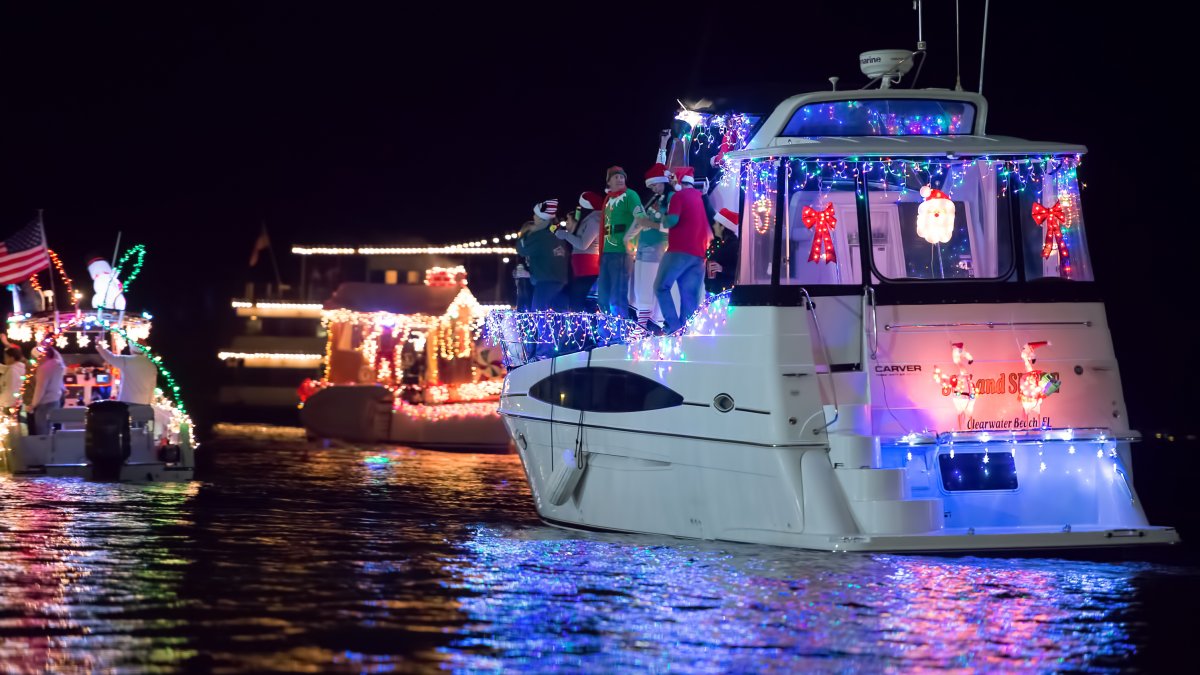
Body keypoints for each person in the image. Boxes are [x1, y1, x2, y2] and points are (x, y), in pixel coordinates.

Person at [655, 167, 711, 332]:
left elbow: (671, 221)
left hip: (679, 251)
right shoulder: (701, 197)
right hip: (699, 255)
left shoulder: (678, 197)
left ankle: (673, 327)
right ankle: (687, 334)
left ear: (678, 181)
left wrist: (663, 212)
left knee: (661, 287)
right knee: (689, 297)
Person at [624, 163, 672, 331]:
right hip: (643, 246)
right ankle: (642, 322)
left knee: (648, 286)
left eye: (655, 185)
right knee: (639, 287)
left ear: (663, 181)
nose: (654, 189)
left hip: (657, 247)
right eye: (651, 186)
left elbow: (671, 226)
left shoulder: (671, 198)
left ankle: (645, 324)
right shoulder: (654, 199)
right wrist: (627, 238)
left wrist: (649, 224)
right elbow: (640, 220)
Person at [597, 166, 642, 319]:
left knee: (617, 296)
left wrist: (628, 237)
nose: (620, 179)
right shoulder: (608, 199)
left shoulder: (630, 195)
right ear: (608, 181)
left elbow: (641, 218)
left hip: (621, 253)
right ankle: (607, 333)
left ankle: (620, 333)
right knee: (602, 296)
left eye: (622, 176)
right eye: (615, 177)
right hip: (606, 253)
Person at [516, 200, 569, 311]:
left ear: (542, 219)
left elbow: (522, 250)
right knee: (556, 316)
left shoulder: (540, 236)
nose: (533, 217)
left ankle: (542, 329)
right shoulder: (557, 234)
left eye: (536, 215)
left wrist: (523, 235)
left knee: (538, 313)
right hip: (561, 280)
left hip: (545, 280)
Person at [555, 192, 603, 312]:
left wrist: (565, 235)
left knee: (577, 302)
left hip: (588, 269)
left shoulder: (594, 220)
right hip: (581, 269)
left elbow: (583, 244)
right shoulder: (589, 219)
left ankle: (580, 329)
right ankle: (579, 328)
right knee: (575, 301)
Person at [95, 340, 158, 405]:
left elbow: (110, 357)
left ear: (131, 349)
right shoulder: (151, 366)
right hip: (143, 404)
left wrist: (99, 346)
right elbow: (152, 387)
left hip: (126, 404)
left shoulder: (126, 360)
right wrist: (148, 404)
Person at [29, 344, 66, 435]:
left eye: (36, 358)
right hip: (55, 401)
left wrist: (33, 404)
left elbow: (40, 388)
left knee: (43, 434)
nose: (36, 361)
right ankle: (53, 448)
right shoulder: (58, 364)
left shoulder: (44, 368)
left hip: (44, 404)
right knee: (52, 431)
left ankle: (44, 449)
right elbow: (59, 382)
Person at [705, 207, 741, 295]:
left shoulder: (734, 245)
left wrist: (722, 269)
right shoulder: (717, 243)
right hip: (711, 291)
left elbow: (738, 270)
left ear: (722, 227)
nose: (713, 226)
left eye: (716, 224)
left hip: (725, 294)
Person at [0, 342, 26, 410]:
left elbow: (9, 390)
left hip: (8, 404)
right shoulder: (19, 367)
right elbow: (4, 368)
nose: (4, 360)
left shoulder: (12, 370)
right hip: (16, 403)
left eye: (6, 357)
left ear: (12, 358)